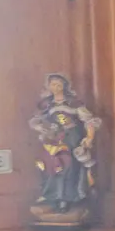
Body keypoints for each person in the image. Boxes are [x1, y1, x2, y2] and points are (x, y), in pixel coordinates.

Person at [30, 73, 101, 213]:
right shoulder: (46, 104)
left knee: (67, 166)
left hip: (71, 138)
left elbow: (89, 121)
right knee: (48, 165)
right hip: (52, 138)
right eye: (52, 84)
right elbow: (36, 121)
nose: (55, 87)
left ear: (64, 86)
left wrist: (89, 137)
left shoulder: (73, 103)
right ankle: (50, 195)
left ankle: (66, 198)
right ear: (48, 86)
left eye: (58, 84)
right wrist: (45, 129)